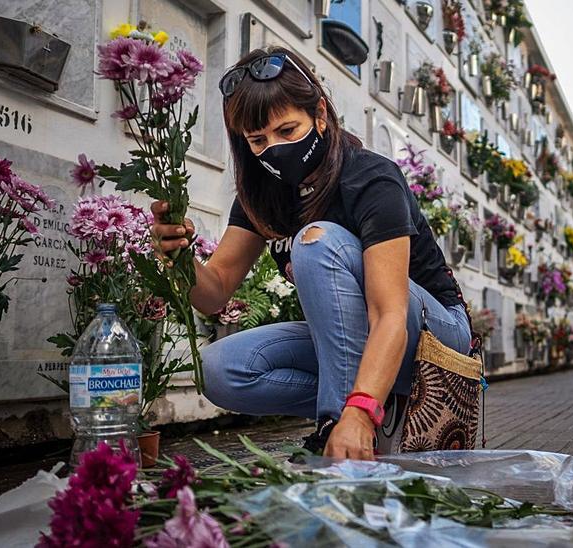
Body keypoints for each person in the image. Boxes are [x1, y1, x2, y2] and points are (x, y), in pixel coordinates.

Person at [148, 48, 473, 460]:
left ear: (320, 113)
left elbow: (390, 314)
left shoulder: (370, 178)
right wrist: (179, 257)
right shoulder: (261, 197)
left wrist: (356, 412)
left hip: (433, 335)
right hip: (358, 341)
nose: (273, 149)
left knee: (317, 242)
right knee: (220, 369)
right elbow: (214, 294)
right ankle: (378, 404)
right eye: (258, 140)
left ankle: (339, 431)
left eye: (287, 131)